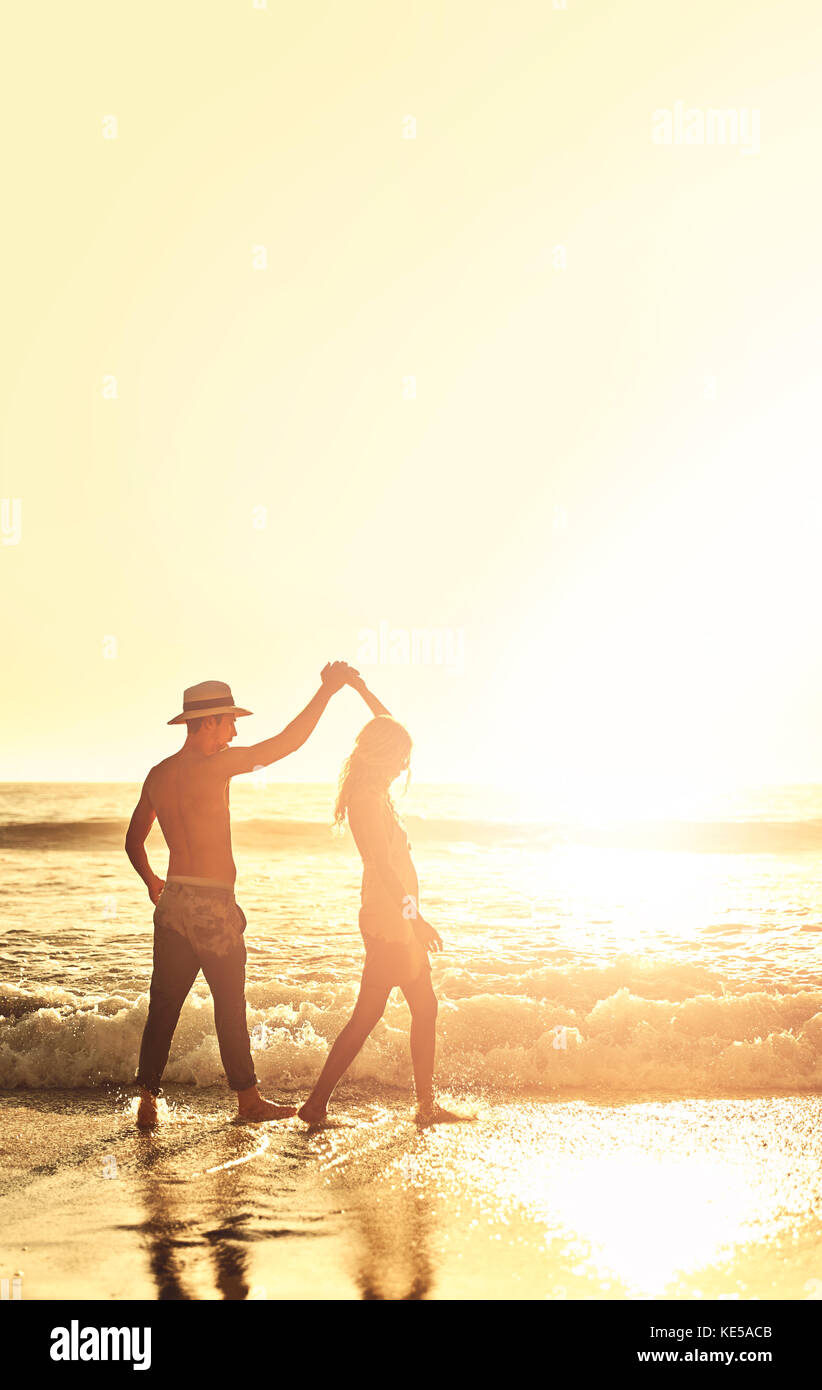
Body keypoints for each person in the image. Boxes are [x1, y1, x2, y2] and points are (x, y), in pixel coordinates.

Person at [126, 663, 355, 1127]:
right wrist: (327, 691)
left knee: (164, 1006)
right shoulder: (218, 766)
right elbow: (287, 743)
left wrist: (153, 882)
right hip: (213, 907)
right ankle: (248, 1102)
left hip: (172, 907)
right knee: (229, 1006)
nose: (233, 732)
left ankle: (148, 1102)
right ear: (206, 722)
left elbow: (133, 840)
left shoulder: (159, 774)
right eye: (229, 721)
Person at [298, 672, 464, 1127]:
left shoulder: (376, 791)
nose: (403, 766)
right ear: (382, 756)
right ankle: (414, 1108)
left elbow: (386, 725)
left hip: (394, 919)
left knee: (402, 1010)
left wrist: (360, 690)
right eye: (399, 758)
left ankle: (412, 1106)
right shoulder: (366, 800)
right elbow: (382, 867)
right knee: (374, 1015)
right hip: (391, 920)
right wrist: (417, 919)